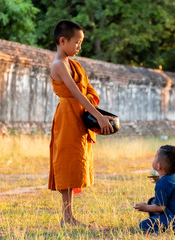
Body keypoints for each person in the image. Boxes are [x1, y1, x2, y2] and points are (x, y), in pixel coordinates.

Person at [48, 20, 114, 227]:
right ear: (62, 40)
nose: (79, 47)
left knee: (76, 163)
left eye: (81, 43)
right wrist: (99, 117)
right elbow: (77, 94)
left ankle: (69, 217)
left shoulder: (73, 63)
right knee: (67, 164)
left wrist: (102, 115)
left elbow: (87, 91)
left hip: (79, 117)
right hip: (67, 117)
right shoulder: (59, 65)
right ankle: (67, 218)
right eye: (77, 43)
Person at [134, 145, 175, 233]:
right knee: (152, 201)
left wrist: (145, 207)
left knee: (143, 225)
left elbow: (160, 208)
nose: (154, 158)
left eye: (155, 157)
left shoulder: (163, 182)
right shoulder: (174, 178)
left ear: (159, 166)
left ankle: (170, 230)